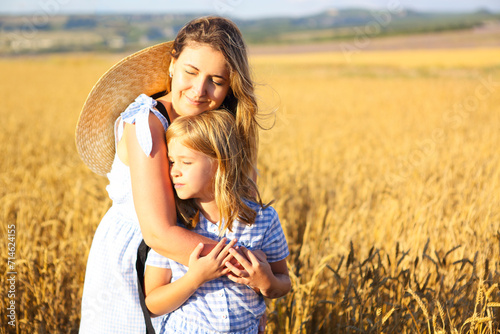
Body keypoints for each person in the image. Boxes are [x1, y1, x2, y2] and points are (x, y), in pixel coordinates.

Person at [75, 16, 265, 333]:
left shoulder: (221, 127)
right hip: (140, 260)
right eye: (191, 72)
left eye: (216, 81)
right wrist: (247, 269)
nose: (199, 90)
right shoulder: (145, 122)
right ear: (172, 64)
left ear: (230, 85)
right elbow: (159, 233)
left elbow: (245, 206)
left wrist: (254, 294)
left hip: (199, 258)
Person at [144, 110, 291, 333]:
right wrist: (194, 278)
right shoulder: (173, 224)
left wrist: (265, 281)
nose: (174, 171)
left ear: (219, 164)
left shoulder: (263, 219)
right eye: (172, 162)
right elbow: (153, 304)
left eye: (185, 162)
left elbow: (284, 283)